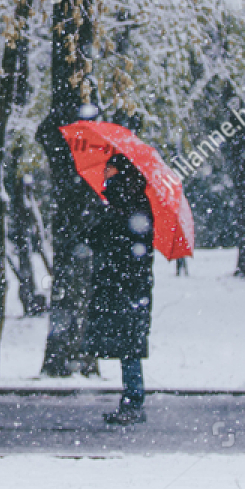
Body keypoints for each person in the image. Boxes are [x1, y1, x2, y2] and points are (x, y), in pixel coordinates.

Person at [81, 152, 155, 425]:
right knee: (129, 345)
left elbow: (108, 240)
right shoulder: (126, 202)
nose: (105, 174)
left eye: (109, 170)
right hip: (127, 286)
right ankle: (132, 399)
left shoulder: (127, 205)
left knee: (130, 345)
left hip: (126, 286)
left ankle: (134, 401)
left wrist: (101, 223)